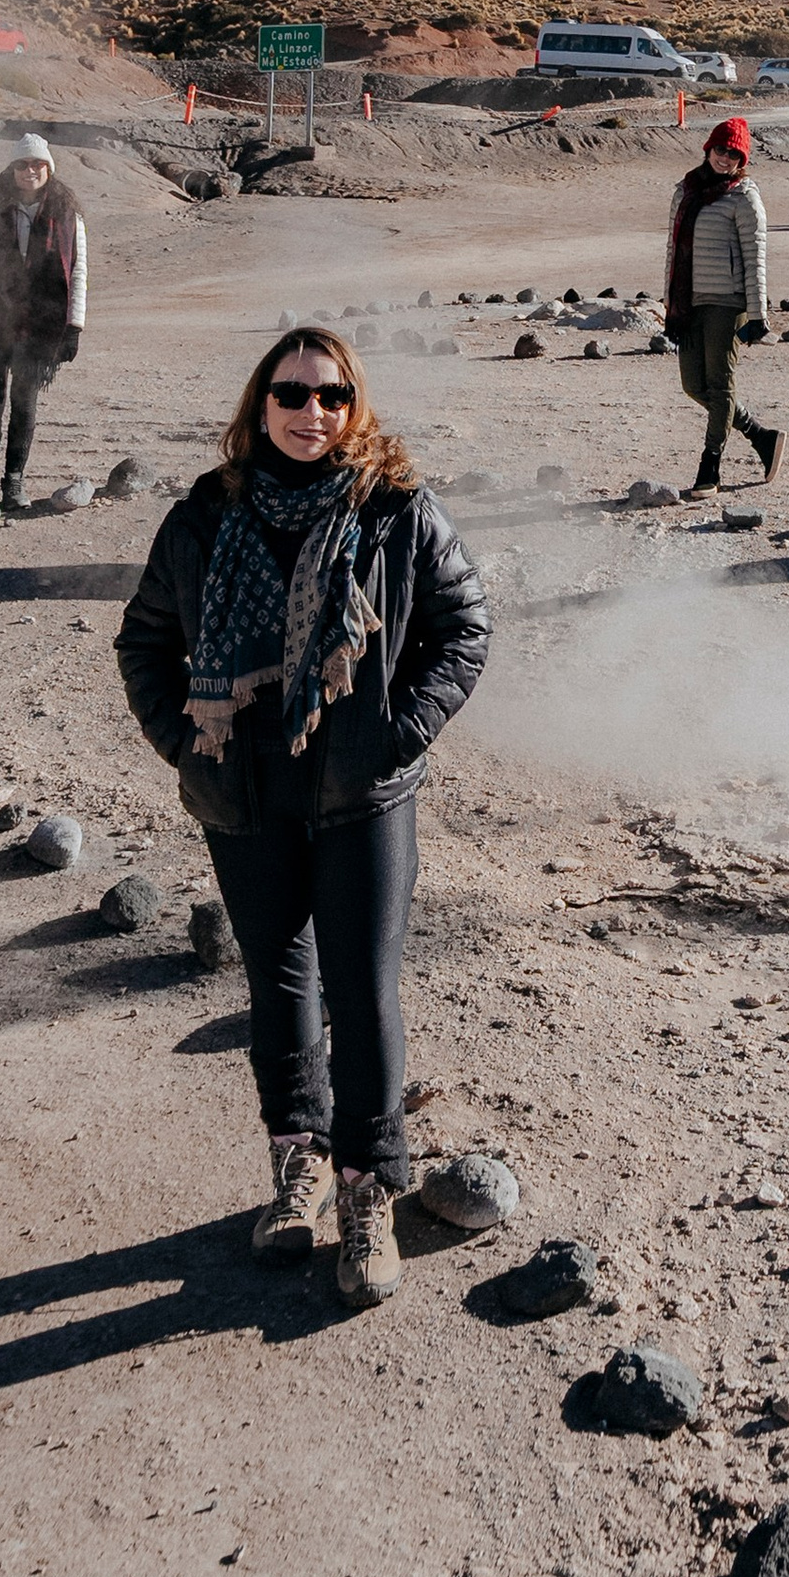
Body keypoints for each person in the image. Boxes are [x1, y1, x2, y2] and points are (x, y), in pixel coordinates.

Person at [115, 330, 489, 1304]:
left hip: (361, 794)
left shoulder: (396, 510)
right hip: (246, 798)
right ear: (262, 400)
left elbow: (464, 627)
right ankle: (300, 1163)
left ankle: (370, 1187)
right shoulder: (206, 515)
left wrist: (397, 733)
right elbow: (145, 638)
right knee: (282, 993)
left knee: (361, 995)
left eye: (330, 395)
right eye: (291, 391)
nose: (310, 410)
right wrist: (184, 740)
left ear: (351, 403)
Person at [0, 132, 87, 527]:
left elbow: (78, 273)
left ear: (49, 169)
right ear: (12, 169)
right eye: (23, 164)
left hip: (39, 322)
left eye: (37, 165)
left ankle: (14, 483)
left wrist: (74, 326)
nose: (30, 171)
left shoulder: (68, 218)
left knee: (25, 401)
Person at [664, 113, 784, 490]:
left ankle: (709, 467)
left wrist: (757, 312)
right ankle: (761, 436)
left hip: (726, 303)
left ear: (742, 160)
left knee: (721, 384)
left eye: (734, 154)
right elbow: (672, 251)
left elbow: (755, 255)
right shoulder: (685, 190)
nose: (725, 158)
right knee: (693, 385)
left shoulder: (744, 196)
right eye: (720, 149)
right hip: (689, 302)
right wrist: (669, 305)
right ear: (708, 148)